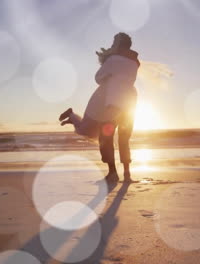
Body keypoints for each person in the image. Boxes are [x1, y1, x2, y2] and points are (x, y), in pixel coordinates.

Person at [59, 32, 140, 182]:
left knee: (106, 138)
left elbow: (98, 78)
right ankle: (127, 175)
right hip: (129, 102)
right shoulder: (135, 62)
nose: (112, 44)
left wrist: (107, 72)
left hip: (113, 103)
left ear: (119, 44)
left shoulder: (113, 59)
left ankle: (112, 173)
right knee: (124, 139)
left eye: (114, 41)